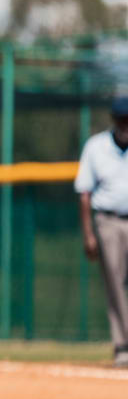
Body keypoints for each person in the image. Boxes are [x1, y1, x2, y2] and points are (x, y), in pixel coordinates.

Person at [76, 95, 128, 368]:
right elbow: (85, 193)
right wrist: (88, 234)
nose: (125, 125)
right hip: (108, 222)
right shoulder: (97, 147)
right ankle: (123, 346)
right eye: (121, 119)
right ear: (114, 120)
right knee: (115, 284)